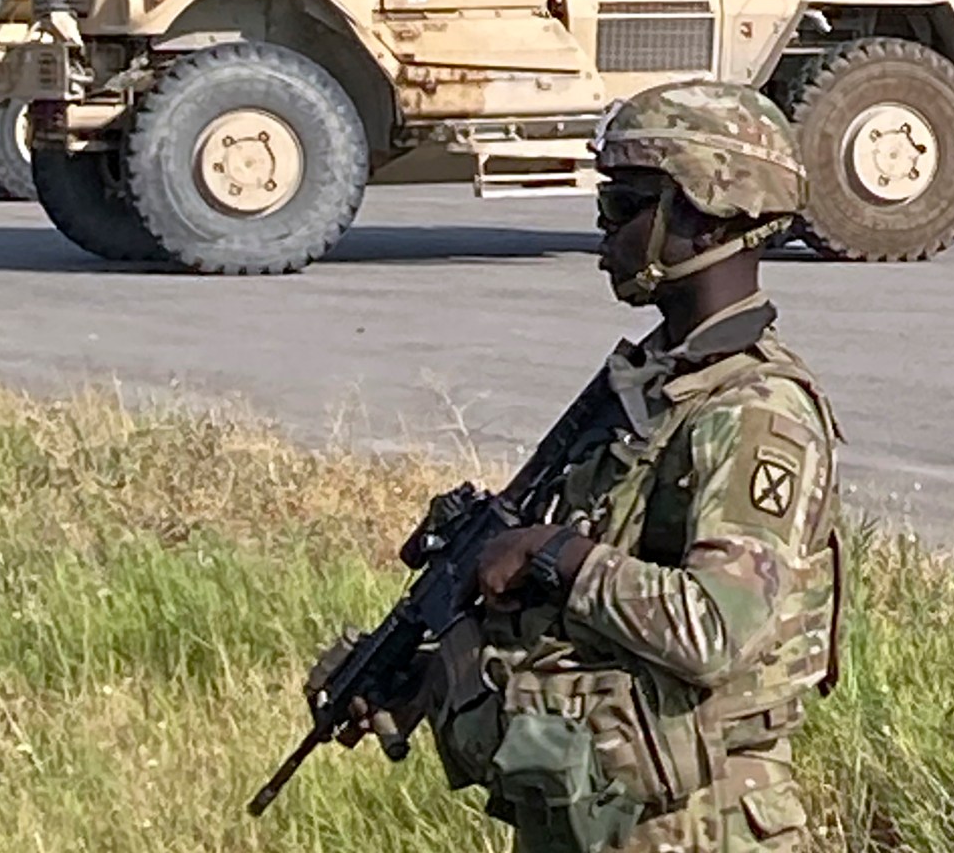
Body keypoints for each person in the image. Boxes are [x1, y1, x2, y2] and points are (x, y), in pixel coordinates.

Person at [311, 81, 841, 850]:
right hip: (598, 814)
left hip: (702, 825)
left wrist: (553, 552)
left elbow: (717, 629)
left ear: (706, 211)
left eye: (626, 206)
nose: (603, 231)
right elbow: (578, 631)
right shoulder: (654, 383)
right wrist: (428, 676)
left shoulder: (755, 412)